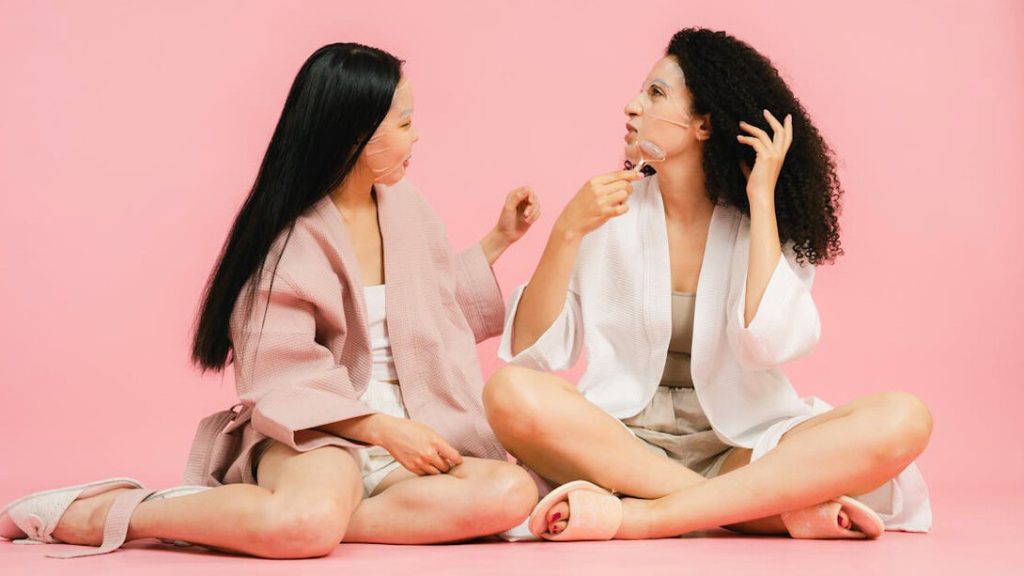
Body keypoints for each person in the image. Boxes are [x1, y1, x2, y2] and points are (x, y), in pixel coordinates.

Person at [1, 42, 541, 559]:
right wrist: (381, 428)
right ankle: (117, 513)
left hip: (419, 424)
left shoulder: (406, 207)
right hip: (320, 432)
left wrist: (499, 239)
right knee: (304, 524)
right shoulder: (290, 244)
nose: (416, 135)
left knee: (509, 492)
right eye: (403, 123)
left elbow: (433, 302)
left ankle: (264, 517)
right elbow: (280, 381)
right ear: (354, 136)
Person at [485, 27, 932, 541]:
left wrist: (762, 199)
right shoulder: (608, 213)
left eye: (655, 94)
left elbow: (767, 343)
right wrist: (565, 232)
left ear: (702, 124)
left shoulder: (764, 224)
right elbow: (533, 355)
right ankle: (749, 510)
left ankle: (648, 514)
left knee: (905, 418)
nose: (631, 107)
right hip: (621, 445)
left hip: (742, 448)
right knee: (508, 392)